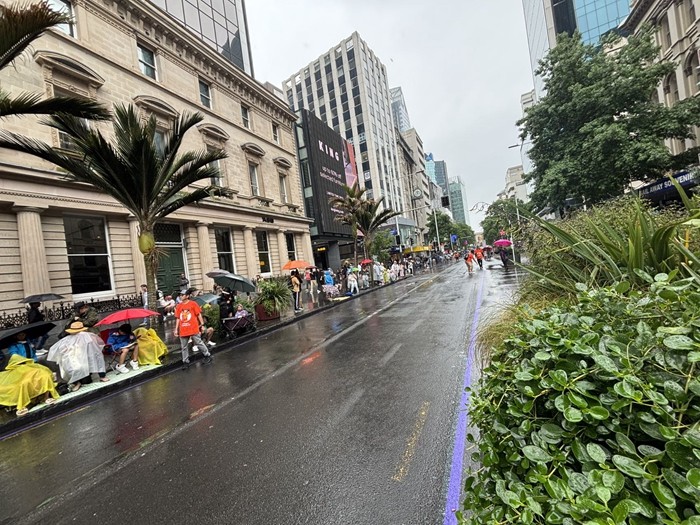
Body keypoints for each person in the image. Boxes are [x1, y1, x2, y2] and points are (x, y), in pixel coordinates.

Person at [48, 321, 108, 392]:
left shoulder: (87, 336)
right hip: (76, 357)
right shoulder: (69, 339)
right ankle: (77, 382)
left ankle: (101, 376)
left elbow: (95, 348)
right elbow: (63, 348)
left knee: (97, 360)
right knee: (70, 366)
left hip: (88, 356)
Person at [174, 288, 213, 370]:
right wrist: (176, 329)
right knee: (184, 346)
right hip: (183, 329)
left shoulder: (193, 304)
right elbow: (178, 318)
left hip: (193, 328)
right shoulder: (179, 306)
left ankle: (207, 355)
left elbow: (198, 314)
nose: (180, 296)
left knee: (199, 342)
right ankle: (185, 362)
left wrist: (202, 324)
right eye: (180, 295)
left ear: (187, 296)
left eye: (182, 295)